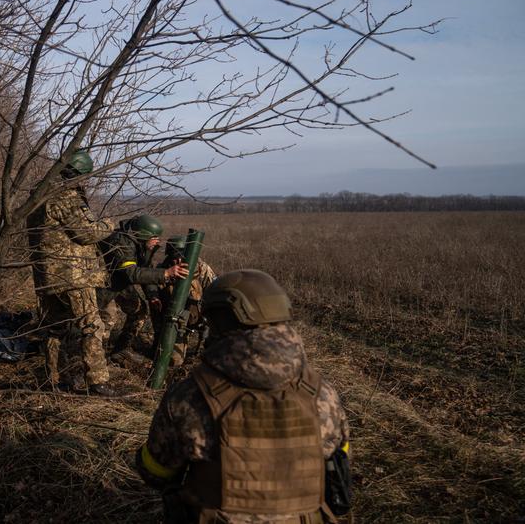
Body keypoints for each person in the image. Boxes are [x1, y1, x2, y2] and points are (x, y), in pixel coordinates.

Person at [136, 270, 351, 523]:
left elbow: (155, 472)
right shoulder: (322, 393)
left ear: (219, 320)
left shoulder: (189, 396)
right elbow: (340, 465)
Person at [27, 150, 116, 396]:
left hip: (47, 277)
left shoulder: (39, 192)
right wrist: (110, 223)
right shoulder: (64, 195)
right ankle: (97, 382)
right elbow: (87, 234)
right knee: (91, 326)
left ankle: (52, 381)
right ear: (76, 173)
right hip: (72, 275)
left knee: (54, 329)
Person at [99, 215, 188, 365]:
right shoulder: (120, 242)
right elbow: (131, 273)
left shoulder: (141, 246)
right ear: (143, 234)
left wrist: (152, 296)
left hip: (120, 283)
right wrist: (165, 273)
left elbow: (146, 270)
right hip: (103, 284)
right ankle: (98, 360)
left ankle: (121, 350)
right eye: (154, 237)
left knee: (139, 311)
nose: (157, 241)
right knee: (107, 319)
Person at [154, 236, 218, 367]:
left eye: (182, 256)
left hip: (199, 316)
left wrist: (210, 316)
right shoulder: (161, 270)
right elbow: (156, 301)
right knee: (174, 361)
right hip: (175, 323)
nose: (178, 260)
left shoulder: (201, 267)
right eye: (174, 257)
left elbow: (215, 288)